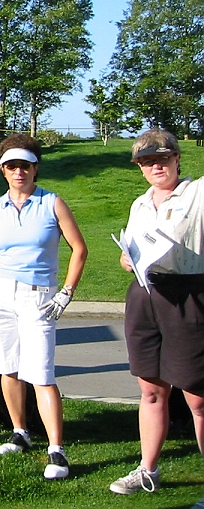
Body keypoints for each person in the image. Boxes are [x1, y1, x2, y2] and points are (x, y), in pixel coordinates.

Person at [0, 133, 87, 481]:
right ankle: (19, 431)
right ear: (3, 170)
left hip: (39, 295)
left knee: (41, 373)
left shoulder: (52, 203)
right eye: (11, 166)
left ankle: (56, 448)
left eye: (25, 165)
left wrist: (66, 292)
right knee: (8, 368)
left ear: (35, 168)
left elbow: (79, 249)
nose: (18, 171)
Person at [108, 128, 204, 503]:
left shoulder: (197, 193)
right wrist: (126, 258)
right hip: (146, 295)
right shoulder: (140, 203)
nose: (155, 166)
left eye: (162, 159)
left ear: (177, 159)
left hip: (190, 294)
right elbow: (128, 251)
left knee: (198, 397)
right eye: (147, 162)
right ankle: (148, 470)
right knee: (150, 389)